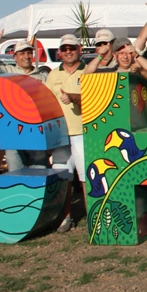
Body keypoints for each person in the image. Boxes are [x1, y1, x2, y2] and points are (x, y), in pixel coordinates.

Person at [0, 24, 50, 172]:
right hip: (13, 132)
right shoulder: (8, 72)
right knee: (15, 172)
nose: (26, 56)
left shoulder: (43, 76)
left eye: (28, 53)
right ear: (15, 56)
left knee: (39, 171)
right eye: (22, 53)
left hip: (36, 133)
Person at [45, 33, 86, 233]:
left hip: (82, 132)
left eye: (72, 48)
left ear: (79, 49)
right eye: (65, 49)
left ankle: (93, 214)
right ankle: (65, 217)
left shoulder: (89, 71)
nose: (69, 52)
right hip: (60, 135)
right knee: (63, 178)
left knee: (87, 177)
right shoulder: (53, 75)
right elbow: (45, 103)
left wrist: (74, 98)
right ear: (60, 52)